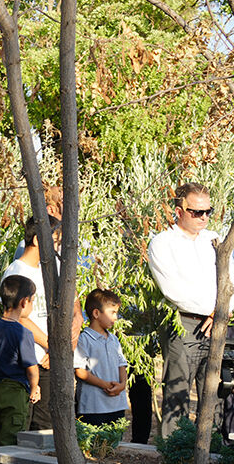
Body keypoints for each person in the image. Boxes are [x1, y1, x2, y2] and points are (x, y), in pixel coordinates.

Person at [148, 182, 230, 438]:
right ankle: (175, 453)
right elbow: (173, 290)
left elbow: (232, 281)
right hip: (184, 323)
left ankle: (216, 449)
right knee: (178, 391)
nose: (203, 217)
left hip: (219, 322)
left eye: (208, 211)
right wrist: (211, 310)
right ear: (179, 210)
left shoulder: (215, 239)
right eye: (196, 212)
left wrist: (220, 311)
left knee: (218, 390)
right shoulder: (163, 243)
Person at [1, 215, 61, 431]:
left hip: (46, 359)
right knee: (21, 424)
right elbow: (17, 317)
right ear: (37, 240)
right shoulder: (17, 272)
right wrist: (50, 345)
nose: (57, 246)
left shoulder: (51, 268)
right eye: (54, 239)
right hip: (26, 361)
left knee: (44, 425)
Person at [0, 276, 42, 447]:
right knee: (10, 439)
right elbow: (31, 367)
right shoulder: (24, 333)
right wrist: (34, 387)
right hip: (12, 391)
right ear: (24, 302)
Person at [75, 288, 129, 426]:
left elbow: (121, 365)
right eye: (113, 312)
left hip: (117, 405)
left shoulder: (114, 339)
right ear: (96, 313)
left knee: (113, 444)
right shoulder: (84, 339)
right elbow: (80, 371)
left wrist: (122, 385)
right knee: (93, 444)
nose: (116, 317)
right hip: (93, 407)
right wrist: (105, 385)